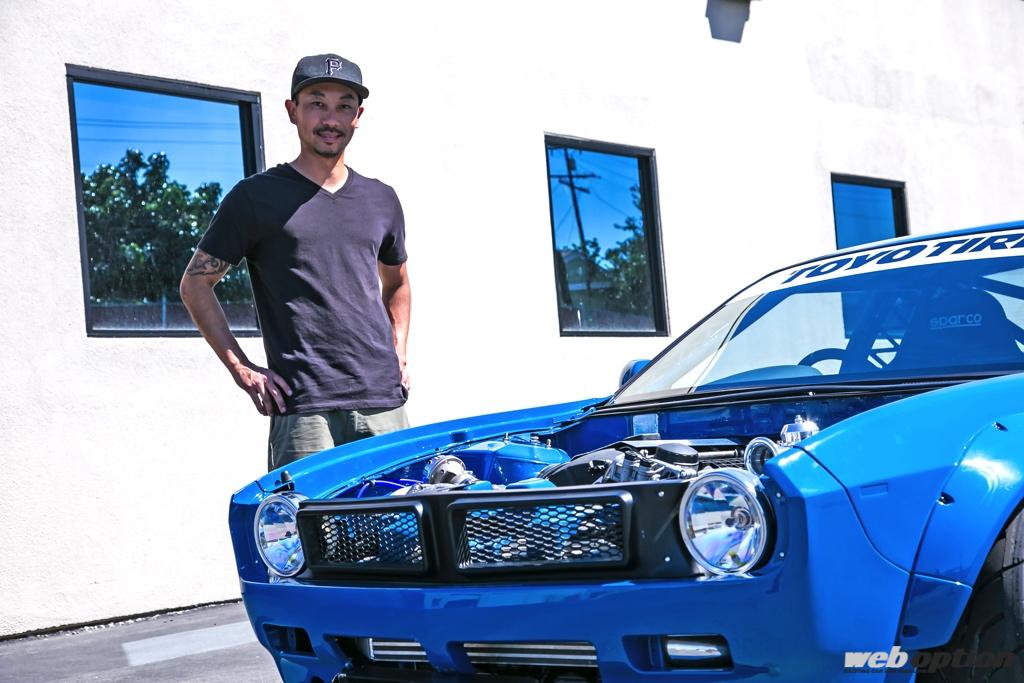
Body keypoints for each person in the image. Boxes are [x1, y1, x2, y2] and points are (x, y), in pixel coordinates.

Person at [180, 53, 411, 471]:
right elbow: (195, 284)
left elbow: (397, 284)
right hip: (304, 408)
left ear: (358, 116)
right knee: (303, 516)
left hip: (383, 404)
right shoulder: (255, 197)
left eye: (344, 106)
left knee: (399, 513)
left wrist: (399, 352)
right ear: (293, 111)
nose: (331, 119)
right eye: (317, 103)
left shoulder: (382, 199)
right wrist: (241, 368)